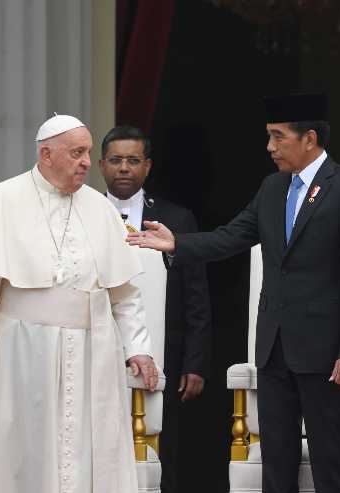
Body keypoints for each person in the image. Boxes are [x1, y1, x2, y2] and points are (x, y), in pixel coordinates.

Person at [127, 93, 340, 493]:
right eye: (268, 137)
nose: (270, 148)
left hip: (325, 354)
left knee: (329, 459)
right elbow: (232, 237)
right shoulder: (272, 187)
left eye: (278, 137)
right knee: (275, 463)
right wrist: (178, 244)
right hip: (274, 349)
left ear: (309, 138)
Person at [0, 114, 158, 493]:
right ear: (46, 154)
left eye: (87, 153)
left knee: (88, 452)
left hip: (94, 352)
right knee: (26, 453)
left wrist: (139, 349)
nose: (85, 162)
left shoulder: (100, 209)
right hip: (23, 353)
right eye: (76, 153)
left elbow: (124, 294)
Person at [99, 125, 211, 493]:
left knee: (167, 447)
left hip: (167, 352)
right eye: (116, 160)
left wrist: (195, 363)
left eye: (133, 160)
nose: (124, 168)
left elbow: (196, 296)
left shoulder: (177, 218)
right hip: (97, 349)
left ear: (147, 166)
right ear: (101, 165)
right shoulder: (85, 214)